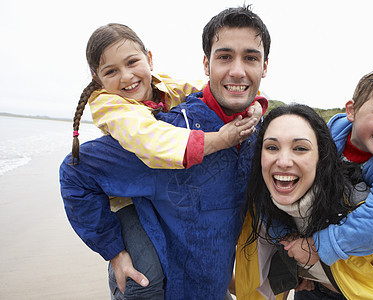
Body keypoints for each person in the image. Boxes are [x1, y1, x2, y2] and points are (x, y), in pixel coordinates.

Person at [60, 5, 271, 300]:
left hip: (213, 287)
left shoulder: (260, 135)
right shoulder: (148, 124)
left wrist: (257, 105)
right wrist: (114, 251)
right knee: (143, 282)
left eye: (250, 57)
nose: (126, 77)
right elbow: (76, 169)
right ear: (207, 63)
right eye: (224, 56)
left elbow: (202, 89)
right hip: (125, 208)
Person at [236, 104, 373, 299]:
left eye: (300, 148)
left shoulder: (367, 211)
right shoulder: (263, 203)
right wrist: (300, 270)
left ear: (322, 156)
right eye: (272, 147)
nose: (283, 162)